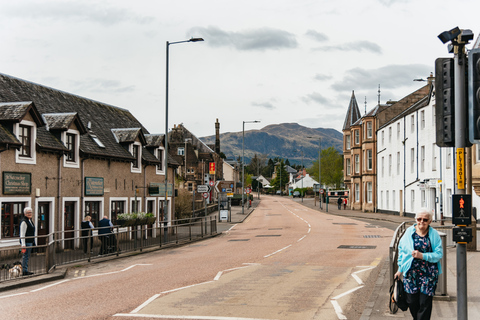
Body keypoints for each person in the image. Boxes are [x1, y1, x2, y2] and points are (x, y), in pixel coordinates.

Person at [394, 208, 443, 320]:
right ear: (415, 219)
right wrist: (399, 269)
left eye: (425, 219)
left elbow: (439, 254)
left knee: (425, 303)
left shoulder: (434, 235)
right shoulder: (408, 233)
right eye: (419, 219)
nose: (421, 222)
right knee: (412, 302)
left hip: (429, 274)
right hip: (411, 274)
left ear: (430, 221)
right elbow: (402, 251)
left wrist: (423, 256)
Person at [19, 207, 36, 276]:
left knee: (27, 256)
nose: (30, 214)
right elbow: (22, 234)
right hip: (26, 242)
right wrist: (23, 244)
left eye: (30, 212)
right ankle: (24, 271)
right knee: (25, 256)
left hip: (30, 241)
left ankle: (25, 269)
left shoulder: (29, 220)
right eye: (28, 213)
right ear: (25, 214)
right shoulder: (24, 222)